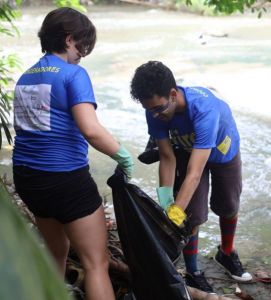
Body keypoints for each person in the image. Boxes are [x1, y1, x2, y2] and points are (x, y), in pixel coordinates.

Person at [12, 8, 133, 300]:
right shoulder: (73, 74)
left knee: (55, 255)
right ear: (69, 40)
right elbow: (91, 129)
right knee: (96, 263)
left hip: (28, 178)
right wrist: (123, 156)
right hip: (65, 180)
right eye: (82, 46)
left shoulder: (26, 77)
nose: (83, 54)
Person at [130, 61, 252, 293]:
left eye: (159, 109)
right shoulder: (154, 111)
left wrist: (174, 214)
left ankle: (226, 253)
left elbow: (195, 173)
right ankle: (193, 272)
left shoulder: (204, 109)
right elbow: (167, 157)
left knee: (227, 205)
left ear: (173, 94)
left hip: (222, 150)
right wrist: (167, 199)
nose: (155, 114)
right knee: (192, 215)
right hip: (186, 149)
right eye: (150, 110)